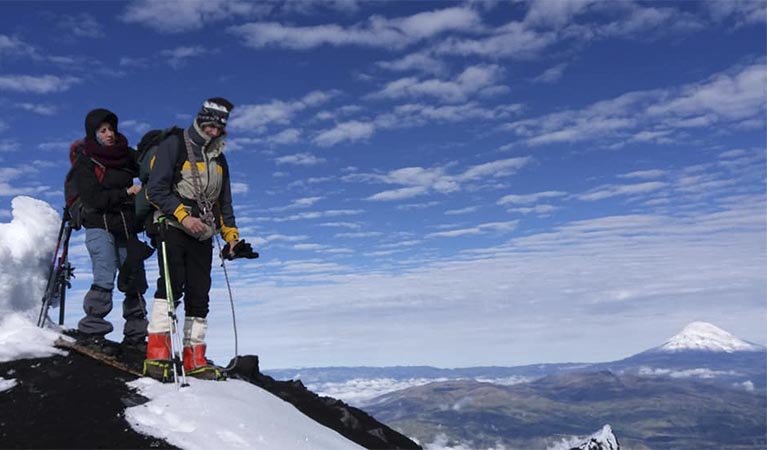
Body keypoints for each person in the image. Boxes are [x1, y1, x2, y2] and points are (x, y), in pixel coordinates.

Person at [144, 97, 247, 380]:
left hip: (204, 235)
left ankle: (194, 358)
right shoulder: (174, 145)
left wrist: (232, 237)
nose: (214, 131)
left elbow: (224, 205)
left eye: (219, 128)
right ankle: (158, 356)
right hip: (173, 227)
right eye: (210, 125)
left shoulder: (220, 158)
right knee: (170, 287)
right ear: (201, 120)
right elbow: (155, 190)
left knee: (199, 294)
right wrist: (183, 216)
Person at [71, 108, 148, 353]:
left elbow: (148, 166)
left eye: (111, 129)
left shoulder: (126, 156)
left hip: (125, 225)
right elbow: (92, 198)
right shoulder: (87, 161)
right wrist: (126, 193)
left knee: (134, 278)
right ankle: (92, 332)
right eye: (102, 130)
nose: (109, 134)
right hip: (98, 224)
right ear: (93, 134)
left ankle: (136, 336)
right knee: (104, 274)